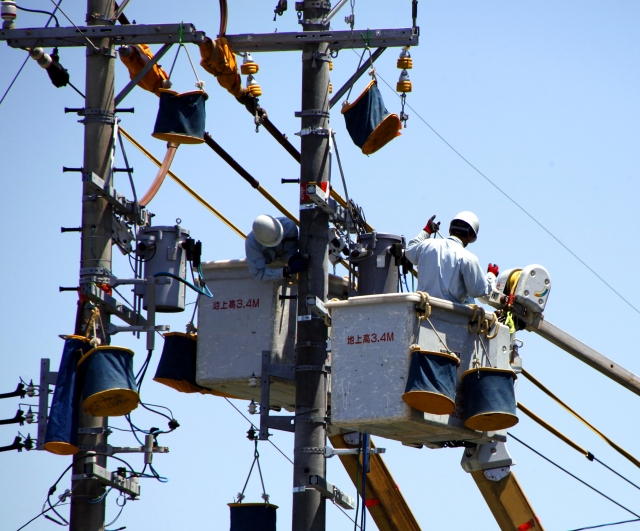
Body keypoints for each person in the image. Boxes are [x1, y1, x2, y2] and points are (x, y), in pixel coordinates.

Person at [405, 211, 499, 304]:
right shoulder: (468, 258)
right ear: (471, 236)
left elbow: (409, 251)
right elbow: (478, 290)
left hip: (422, 314)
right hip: (449, 317)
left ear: (450, 229)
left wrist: (427, 230)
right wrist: (491, 275)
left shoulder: (426, 245)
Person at [245, 214, 308, 283]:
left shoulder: (288, 227)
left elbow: (289, 251)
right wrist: (286, 271)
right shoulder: (252, 243)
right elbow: (259, 274)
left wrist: (292, 259)